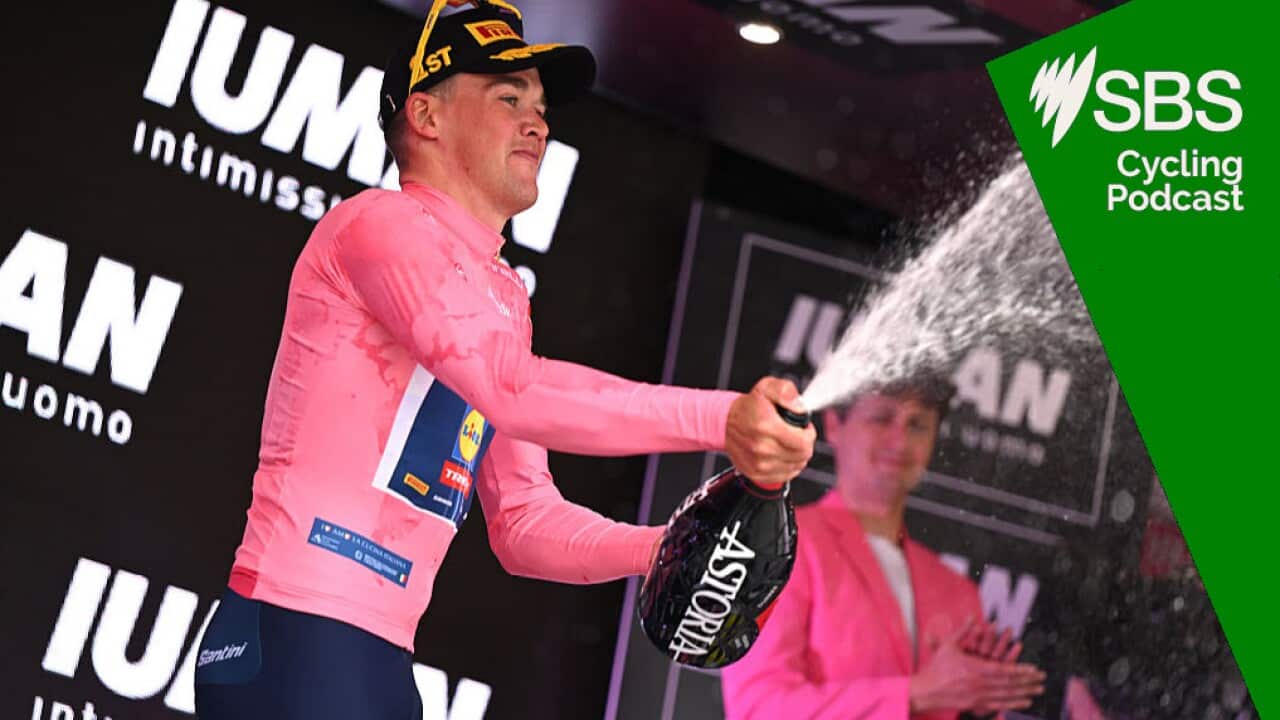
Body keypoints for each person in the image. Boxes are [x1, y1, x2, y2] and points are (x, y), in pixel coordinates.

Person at [192, 2, 815, 718]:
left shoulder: (500, 297)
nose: (539, 124)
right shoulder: (379, 224)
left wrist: (661, 550)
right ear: (426, 117)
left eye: (542, 107)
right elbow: (512, 389)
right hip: (295, 629)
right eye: (508, 98)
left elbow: (524, 522)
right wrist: (721, 419)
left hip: (377, 653)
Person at [720, 376, 1044, 719]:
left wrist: (975, 709)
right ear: (833, 424)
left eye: (918, 424)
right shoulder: (782, 546)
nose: (900, 440)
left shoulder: (960, 594)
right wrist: (916, 693)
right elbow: (757, 709)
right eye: (882, 418)